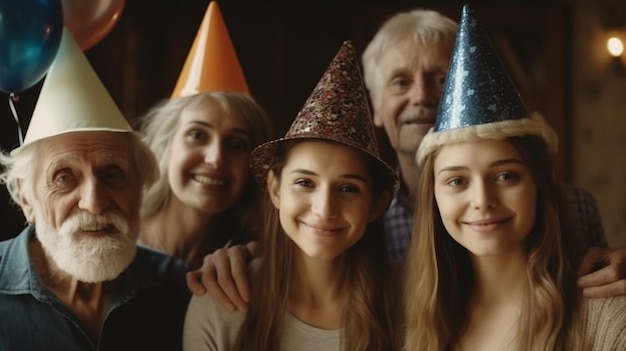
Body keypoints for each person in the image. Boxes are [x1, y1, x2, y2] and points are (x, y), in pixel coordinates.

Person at [186, 6, 626, 309]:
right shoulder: (355, 218)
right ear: (375, 107)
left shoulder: (571, 208)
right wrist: (240, 259)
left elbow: (603, 287)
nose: (421, 97)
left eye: (440, 80)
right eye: (400, 82)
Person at [405, 6, 626, 350]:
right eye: (457, 181)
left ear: (539, 183)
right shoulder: (413, 319)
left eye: (506, 175)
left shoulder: (608, 318)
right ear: (432, 196)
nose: (482, 200)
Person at [182, 41, 401, 351]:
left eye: (348, 188)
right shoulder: (219, 304)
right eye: (305, 183)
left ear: (376, 204)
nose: (324, 209)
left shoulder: (408, 305)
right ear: (274, 189)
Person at [0, 29, 190, 350]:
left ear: (141, 188)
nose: (95, 202)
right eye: (64, 177)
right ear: (26, 197)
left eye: (113, 173)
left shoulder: (181, 288)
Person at [136, 1, 274, 269]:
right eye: (197, 135)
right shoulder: (115, 243)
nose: (216, 159)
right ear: (165, 145)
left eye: (237, 143)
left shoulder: (247, 265)